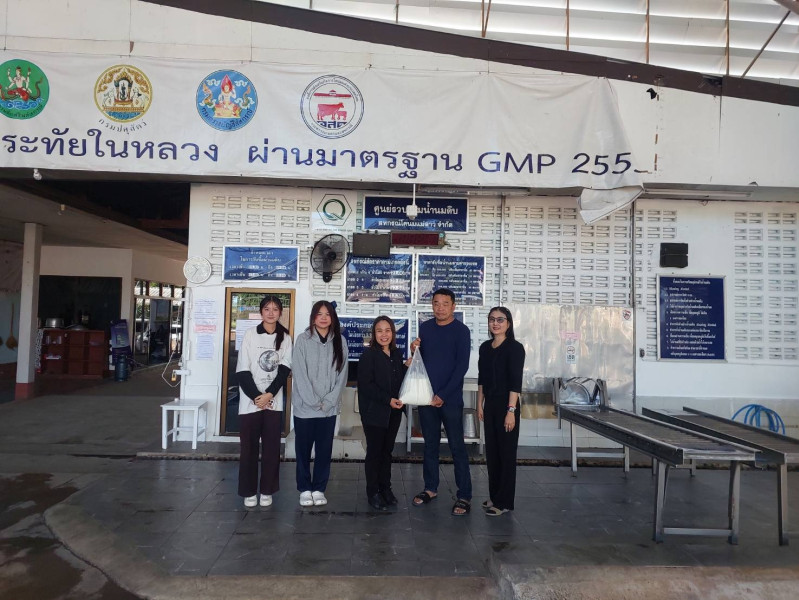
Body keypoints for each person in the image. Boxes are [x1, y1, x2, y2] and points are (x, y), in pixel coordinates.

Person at [410, 288, 472, 516]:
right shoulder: (425, 328)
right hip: (426, 398)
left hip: (450, 399)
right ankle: (430, 488)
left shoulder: (461, 331)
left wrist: (443, 395)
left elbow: (461, 367)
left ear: (453, 306)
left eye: (445, 304)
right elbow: (420, 361)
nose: (440, 308)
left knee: (457, 447)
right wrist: (413, 350)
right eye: (436, 303)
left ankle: (464, 495)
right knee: (430, 445)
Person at [236, 295, 292, 508]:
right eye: (267, 309)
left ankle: (267, 490)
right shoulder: (250, 334)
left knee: (271, 449)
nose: (271, 313)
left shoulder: (285, 337)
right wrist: (256, 397)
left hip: (273, 403)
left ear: (280, 313)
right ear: (261, 312)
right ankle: (249, 491)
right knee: (248, 450)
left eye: (275, 309)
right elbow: (242, 369)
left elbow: (284, 369)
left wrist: (269, 394)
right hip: (250, 403)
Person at [292, 300, 349, 507]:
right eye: (319, 314)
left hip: (328, 409)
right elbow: (299, 373)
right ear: (313, 317)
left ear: (332, 318)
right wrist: (313, 401)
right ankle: (305, 488)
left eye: (328, 314)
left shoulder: (340, 341)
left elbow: (342, 374)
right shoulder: (303, 340)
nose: (323, 318)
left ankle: (318, 488)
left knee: (324, 451)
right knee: (303, 451)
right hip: (305, 408)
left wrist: (329, 401)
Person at [477, 306, 525, 517]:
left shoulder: (515, 348)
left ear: (508, 323)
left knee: (506, 454)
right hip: (490, 405)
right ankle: (495, 496)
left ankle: (504, 502)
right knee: (493, 453)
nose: (495, 323)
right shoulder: (485, 347)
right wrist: (479, 404)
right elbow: (482, 379)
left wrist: (511, 411)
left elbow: (515, 382)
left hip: (507, 406)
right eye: (492, 319)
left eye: (500, 319)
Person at [357, 316, 409, 511]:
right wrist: (388, 400)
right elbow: (367, 386)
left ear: (393, 333)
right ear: (374, 334)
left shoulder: (396, 354)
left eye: (388, 330)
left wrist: (406, 366)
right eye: (379, 331)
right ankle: (373, 492)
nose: (384, 334)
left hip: (393, 413)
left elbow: (397, 379)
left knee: (387, 452)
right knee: (375, 453)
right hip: (374, 413)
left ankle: (385, 488)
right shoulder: (368, 355)